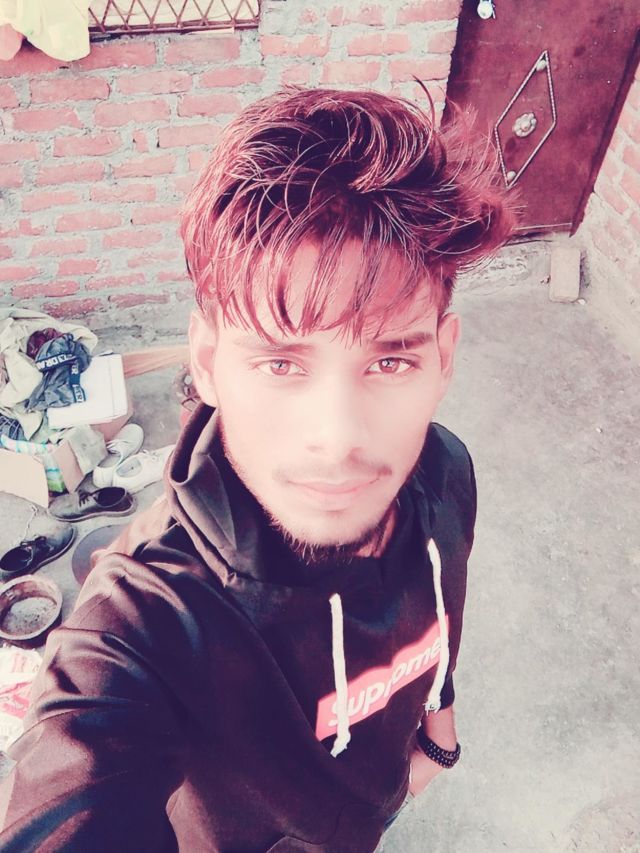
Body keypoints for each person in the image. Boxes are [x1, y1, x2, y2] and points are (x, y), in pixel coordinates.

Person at [0, 86, 515, 852]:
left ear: (443, 360)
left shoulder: (444, 470)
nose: (337, 439)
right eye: (281, 362)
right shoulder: (144, 614)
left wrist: (439, 740)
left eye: (390, 361)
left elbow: (440, 625)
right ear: (208, 362)